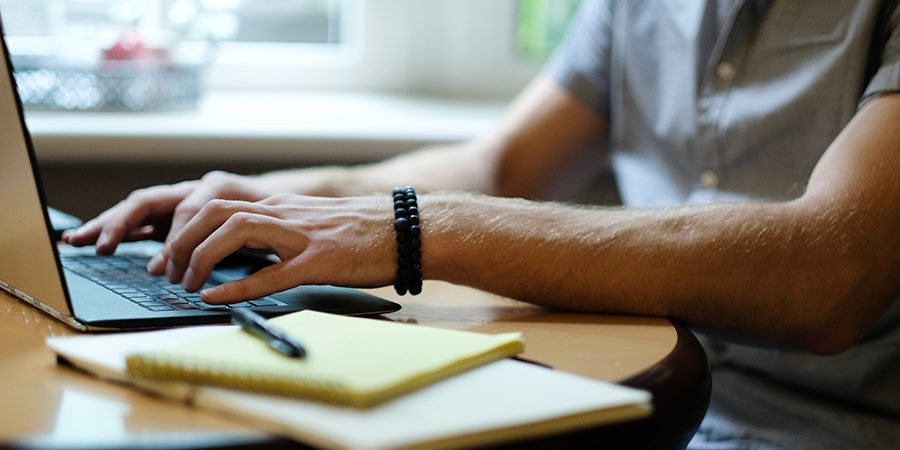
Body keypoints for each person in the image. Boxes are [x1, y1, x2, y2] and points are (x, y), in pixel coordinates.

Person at [64, 1, 900, 448]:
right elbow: (500, 169)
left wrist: (412, 229)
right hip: (635, 411)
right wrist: (275, 196)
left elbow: (827, 274)